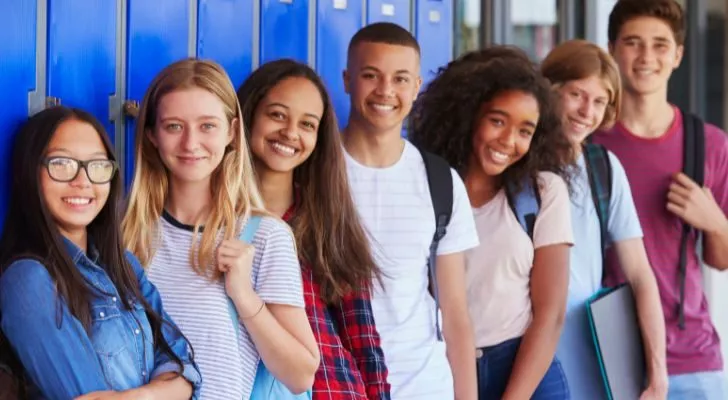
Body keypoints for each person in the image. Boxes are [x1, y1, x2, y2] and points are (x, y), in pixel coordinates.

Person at [122, 58, 319, 399]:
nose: (191, 143)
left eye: (207, 126)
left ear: (231, 132)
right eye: (174, 126)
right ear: (152, 134)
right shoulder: (123, 232)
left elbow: (301, 374)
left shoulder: (264, 236)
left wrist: (244, 296)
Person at [0, 106, 201, 400]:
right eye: (62, 164)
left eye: (97, 165)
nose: (83, 181)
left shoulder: (124, 266)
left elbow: (184, 364)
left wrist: (136, 398)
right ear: (31, 172)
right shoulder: (29, 280)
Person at [409, 46, 575, 399]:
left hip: (523, 371)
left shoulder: (542, 193)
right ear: (468, 115)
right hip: (442, 368)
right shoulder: (423, 185)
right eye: (498, 121)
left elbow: (550, 314)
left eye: (524, 131)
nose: (508, 141)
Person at [593, 1, 728, 398]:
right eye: (633, 43)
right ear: (613, 49)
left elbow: (719, 259)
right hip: (604, 355)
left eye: (659, 45)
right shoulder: (589, 144)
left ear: (678, 55)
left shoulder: (709, 145)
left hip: (690, 361)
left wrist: (716, 222)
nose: (646, 57)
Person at [237, 58, 390, 400]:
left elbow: (362, 338)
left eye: (307, 124)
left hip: (334, 390)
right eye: (277, 115)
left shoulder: (328, 218)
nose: (291, 133)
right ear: (248, 115)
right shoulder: (215, 219)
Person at [341, 22, 479, 399]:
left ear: (416, 87)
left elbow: (454, 313)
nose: (386, 91)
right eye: (371, 75)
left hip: (423, 385)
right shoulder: (314, 171)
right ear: (347, 80)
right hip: (337, 384)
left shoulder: (441, 181)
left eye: (401, 79)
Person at [541, 39, 668, 399]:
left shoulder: (604, 169)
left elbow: (641, 274)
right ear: (549, 91)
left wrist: (657, 373)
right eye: (577, 95)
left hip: (590, 351)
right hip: (522, 349)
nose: (587, 111)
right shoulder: (518, 164)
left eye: (600, 102)